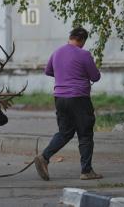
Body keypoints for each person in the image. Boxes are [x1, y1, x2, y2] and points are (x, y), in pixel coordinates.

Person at [34, 27, 103, 181]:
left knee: (65, 132)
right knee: (85, 133)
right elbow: (95, 76)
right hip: (79, 98)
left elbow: (48, 71)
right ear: (83, 40)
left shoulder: (57, 52)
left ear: (70, 37)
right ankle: (87, 171)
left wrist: (62, 75)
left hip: (59, 98)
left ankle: (44, 157)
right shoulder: (84, 54)